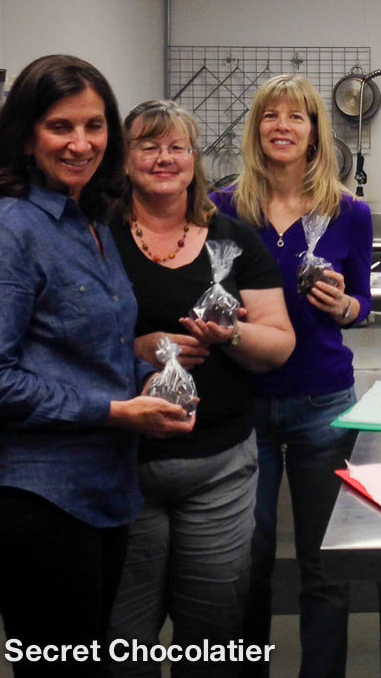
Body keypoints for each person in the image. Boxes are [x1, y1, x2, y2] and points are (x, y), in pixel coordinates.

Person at [0, 55, 195, 677]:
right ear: (28, 136)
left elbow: (78, 346)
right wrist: (115, 410)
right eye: (61, 127)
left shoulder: (91, 222)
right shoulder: (8, 231)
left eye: (94, 126)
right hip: (32, 496)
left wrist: (145, 369)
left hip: (101, 490)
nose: (81, 143)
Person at [106, 100, 296, 677]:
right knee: (124, 637)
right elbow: (63, 340)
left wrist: (231, 332)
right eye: (149, 145)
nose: (165, 158)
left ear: (195, 160)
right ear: (125, 158)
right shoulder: (96, 237)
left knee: (211, 634)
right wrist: (139, 346)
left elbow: (279, 344)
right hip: (119, 468)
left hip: (219, 467)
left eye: (177, 147)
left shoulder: (234, 240)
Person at [211, 74, 374, 678]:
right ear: (256, 131)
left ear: (314, 133)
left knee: (323, 562)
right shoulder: (224, 208)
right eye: (270, 116)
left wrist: (344, 308)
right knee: (244, 563)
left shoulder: (349, 213)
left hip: (323, 404)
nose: (282, 126)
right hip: (242, 403)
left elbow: (362, 302)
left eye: (296, 117)